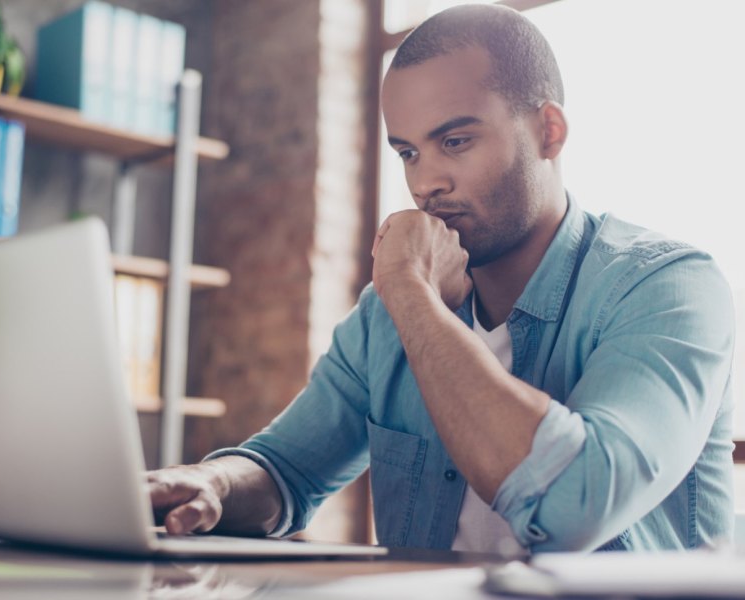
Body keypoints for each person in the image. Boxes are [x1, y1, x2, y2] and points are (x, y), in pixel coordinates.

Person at [147, 4, 735, 553]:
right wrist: (214, 484)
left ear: (549, 132)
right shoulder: (389, 314)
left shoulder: (666, 287)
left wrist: (408, 292)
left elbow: (571, 507)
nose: (425, 183)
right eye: (407, 153)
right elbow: (286, 471)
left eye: (455, 142)